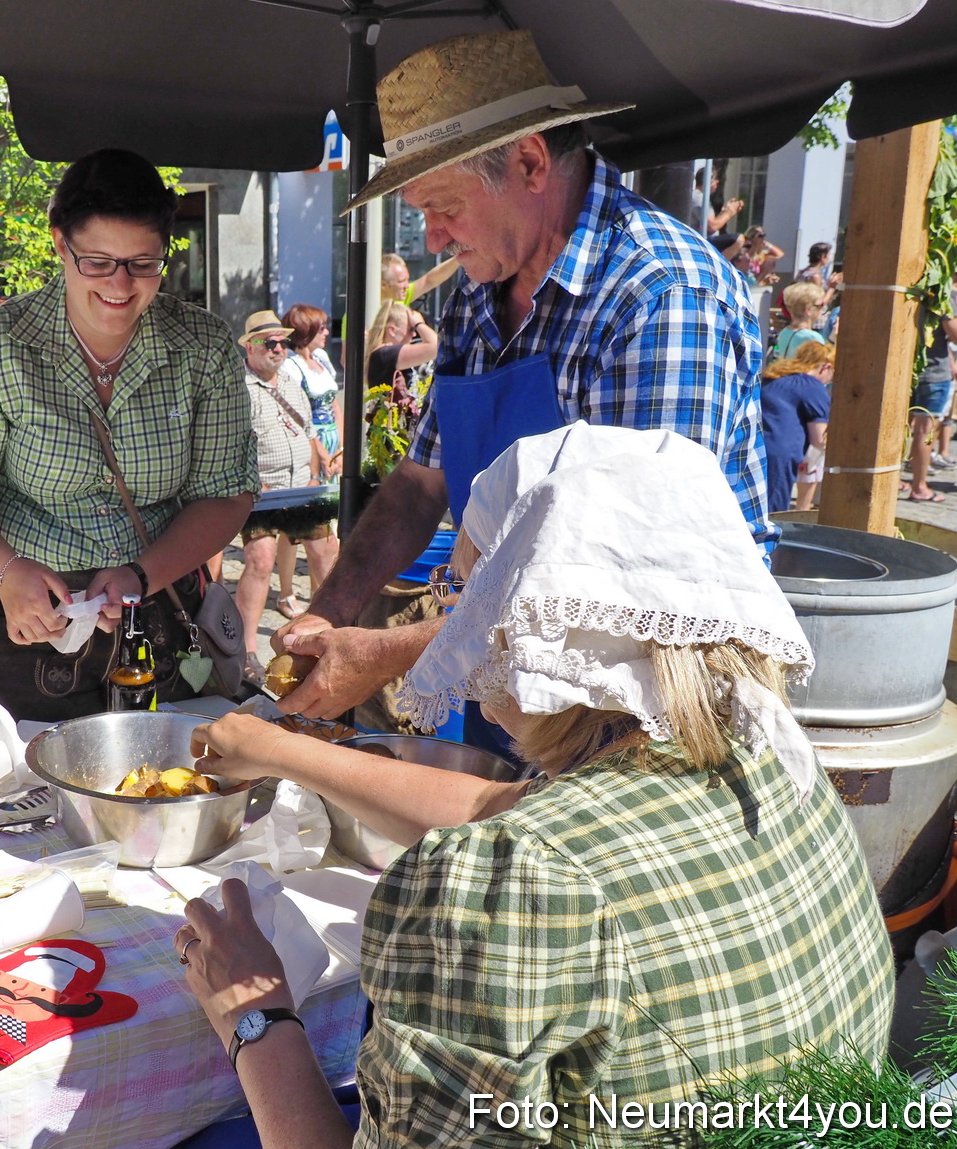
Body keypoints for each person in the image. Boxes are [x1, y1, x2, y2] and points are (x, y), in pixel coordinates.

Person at [175, 424, 892, 1149]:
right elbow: (493, 809)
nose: (457, 629)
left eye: (465, 595)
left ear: (541, 622)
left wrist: (254, 1014)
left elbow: (514, 852)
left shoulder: (509, 884)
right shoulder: (772, 759)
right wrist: (282, 751)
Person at [272, 30, 771, 734]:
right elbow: (420, 484)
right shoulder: (479, 293)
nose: (434, 239)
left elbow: (626, 583)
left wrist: (384, 652)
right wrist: (330, 612)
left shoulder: (660, 297)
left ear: (530, 163)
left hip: (642, 712)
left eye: (444, 207)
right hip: (498, 668)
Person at [0, 147, 257, 721]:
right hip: (26, 616)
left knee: (172, 767)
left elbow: (225, 494)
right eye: (97, 262)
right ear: (60, 244)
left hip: (159, 604)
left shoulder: (203, 346)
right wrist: (7, 570)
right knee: (27, 771)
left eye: (142, 264)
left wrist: (142, 574)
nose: (120, 285)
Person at [233, 311, 333, 676]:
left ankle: (326, 635)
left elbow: (308, 433)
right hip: (263, 491)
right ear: (249, 347)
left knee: (326, 553)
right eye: (269, 342)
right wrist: (254, 483)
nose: (278, 348)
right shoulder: (238, 388)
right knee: (260, 560)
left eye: (282, 342)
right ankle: (246, 651)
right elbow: (230, 446)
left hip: (301, 485)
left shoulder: (291, 382)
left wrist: (316, 471)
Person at [905, 251, 957, 503]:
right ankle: (919, 486)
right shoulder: (942, 293)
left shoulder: (914, 290)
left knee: (903, 427)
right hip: (934, 371)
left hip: (912, 368)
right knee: (925, 431)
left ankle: (898, 479)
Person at [760, 340, 833, 513]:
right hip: (780, 455)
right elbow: (819, 438)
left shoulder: (773, 378)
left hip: (755, 446)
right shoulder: (813, 387)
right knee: (773, 512)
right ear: (825, 367)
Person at [279, 304, 342, 478]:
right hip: (312, 444)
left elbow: (335, 407)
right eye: (321, 329)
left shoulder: (321, 357)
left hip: (334, 442)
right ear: (306, 331)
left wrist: (341, 449)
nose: (327, 332)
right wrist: (323, 456)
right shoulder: (291, 366)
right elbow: (297, 416)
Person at [771, 281, 828, 361]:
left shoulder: (784, 332)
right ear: (808, 310)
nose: (822, 309)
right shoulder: (813, 338)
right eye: (820, 305)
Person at [698, 166, 744, 235]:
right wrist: (729, 213)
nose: (717, 181)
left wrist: (725, 212)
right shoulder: (699, 197)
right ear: (708, 180)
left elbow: (711, 223)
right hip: (703, 239)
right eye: (715, 179)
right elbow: (712, 226)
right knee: (739, 238)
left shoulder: (701, 197)